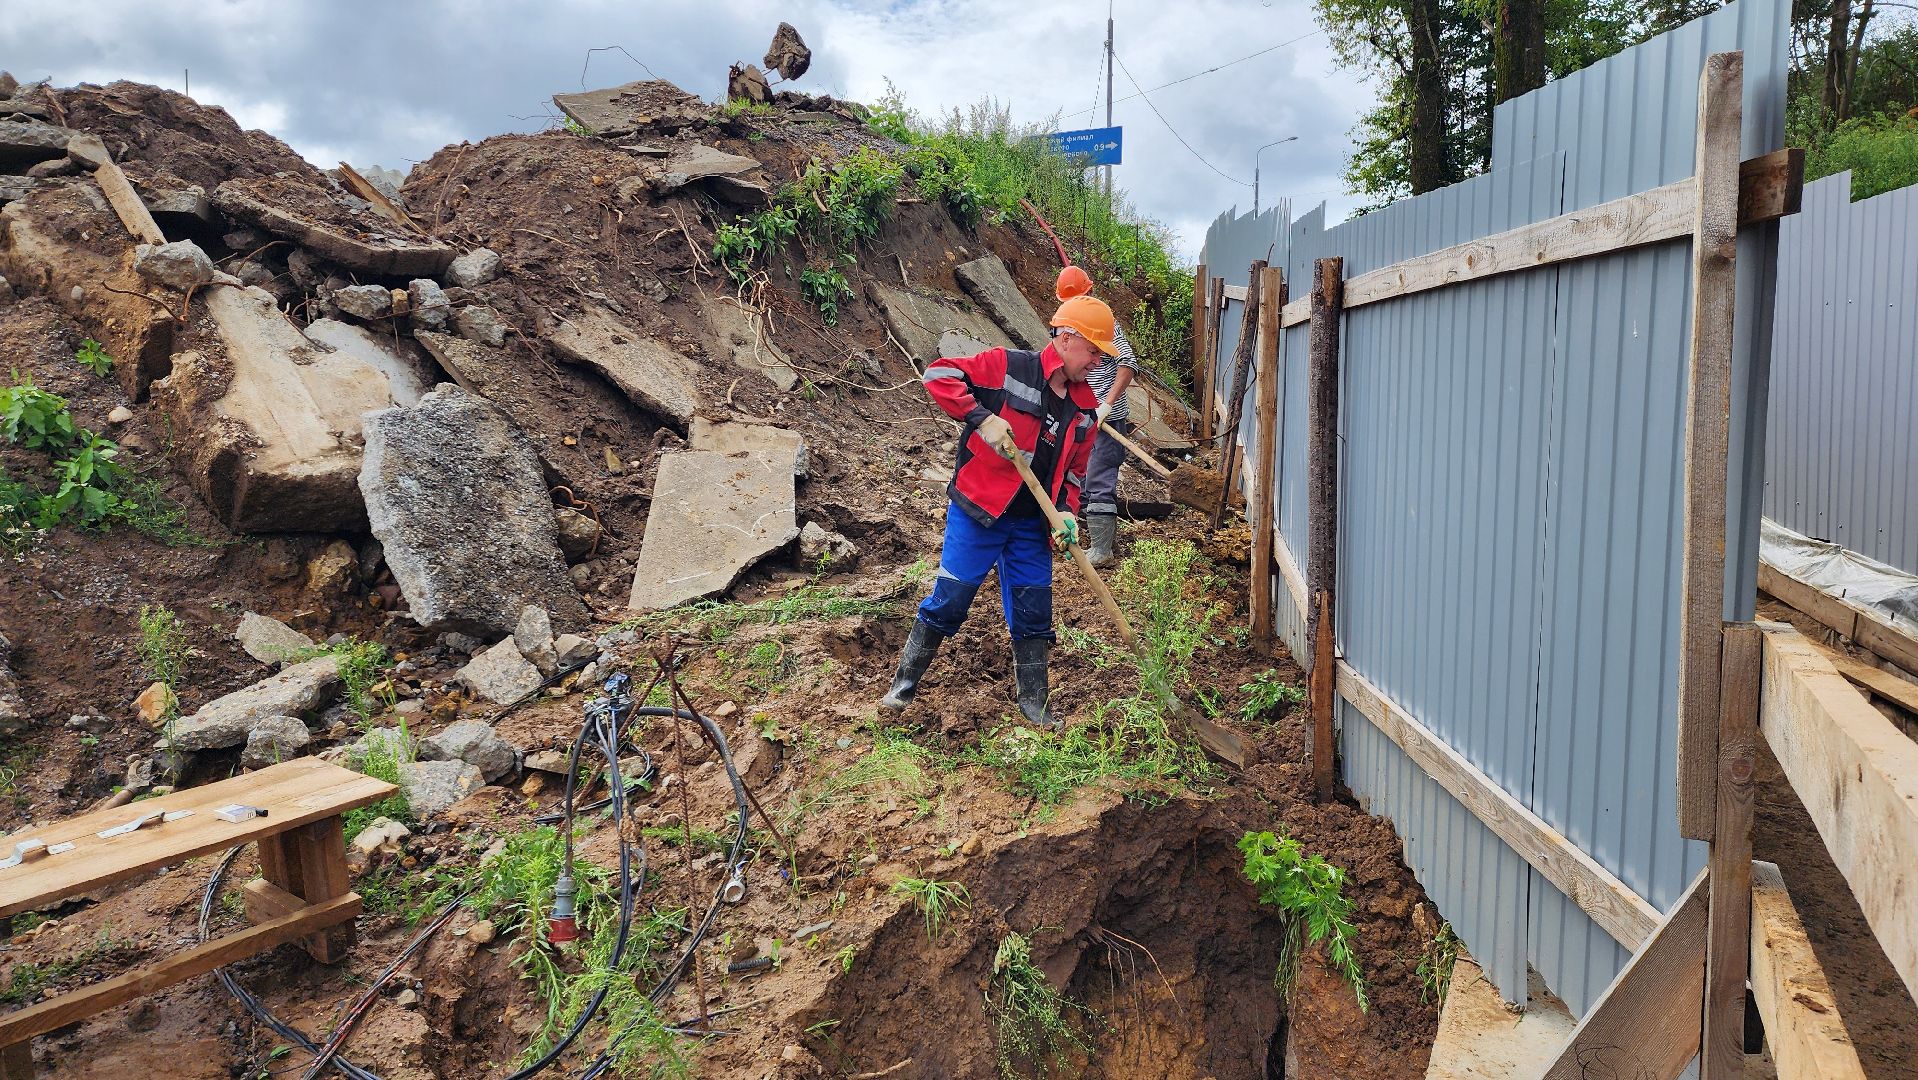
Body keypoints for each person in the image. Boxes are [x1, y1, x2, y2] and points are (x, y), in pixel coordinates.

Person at [877, 295, 1118, 727]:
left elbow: (1076, 475)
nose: (1098, 362)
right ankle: (902, 688)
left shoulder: (1083, 410)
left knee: (1033, 612)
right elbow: (940, 374)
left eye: (1103, 354)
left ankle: (1035, 706)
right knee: (950, 600)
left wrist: (1065, 512)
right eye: (1094, 350)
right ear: (1066, 339)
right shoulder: (1009, 366)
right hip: (981, 511)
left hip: (1032, 524)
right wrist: (981, 417)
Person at [1055, 266, 1140, 566]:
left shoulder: (1106, 324)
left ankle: (1102, 551)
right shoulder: (1067, 325)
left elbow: (1127, 363)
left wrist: (1106, 404)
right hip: (1079, 415)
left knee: (1100, 477)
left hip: (1106, 417)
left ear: (1089, 294)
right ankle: (1083, 536)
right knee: (1077, 474)